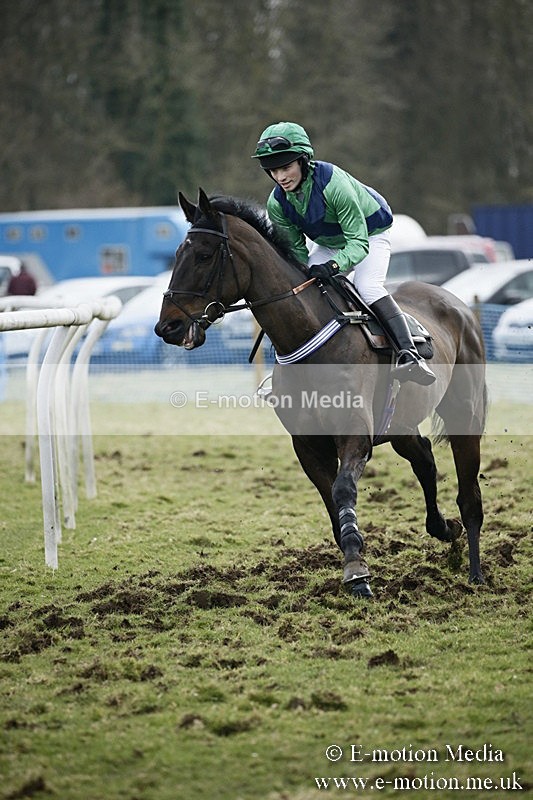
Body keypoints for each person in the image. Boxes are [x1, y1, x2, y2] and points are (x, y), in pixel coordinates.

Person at [252, 121, 435, 386]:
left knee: (367, 287)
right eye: (273, 170)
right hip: (329, 240)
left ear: (303, 161)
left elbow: (358, 243)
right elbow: (295, 251)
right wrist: (303, 273)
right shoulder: (277, 202)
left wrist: (334, 266)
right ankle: (290, 366)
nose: (280, 177)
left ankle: (409, 354)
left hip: (369, 234)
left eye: (286, 167)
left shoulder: (334, 184)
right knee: (304, 287)